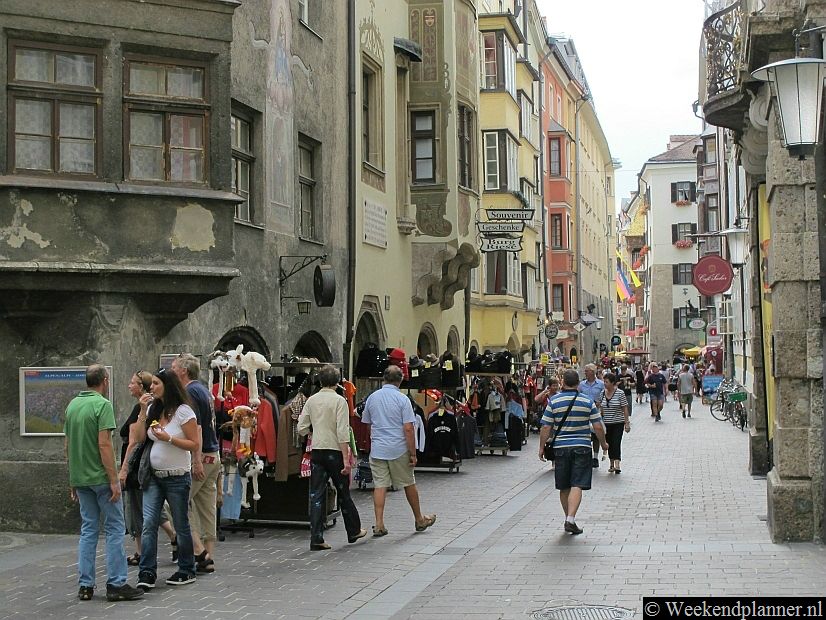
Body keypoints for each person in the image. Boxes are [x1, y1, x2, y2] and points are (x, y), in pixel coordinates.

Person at [64, 364, 144, 602]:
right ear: (105, 381)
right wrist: (114, 478)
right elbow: (104, 444)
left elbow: (68, 444)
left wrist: (72, 478)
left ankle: (85, 585)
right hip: (100, 476)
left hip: (80, 477)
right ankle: (116, 583)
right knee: (115, 529)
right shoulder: (102, 405)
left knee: (88, 529)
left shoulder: (73, 405)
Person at [132, 368, 200, 590]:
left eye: (155, 384)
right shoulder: (153, 408)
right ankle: (147, 572)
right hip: (154, 476)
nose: (151, 388)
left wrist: (169, 438)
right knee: (149, 523)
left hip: (177, 477)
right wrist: (143, 411)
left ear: (167, 386)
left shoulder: (183, 411)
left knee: (181, 523)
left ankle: (187, 568)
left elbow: (194, 444)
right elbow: (140, 438)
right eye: (151, 384)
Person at [297, 365, 366, 550]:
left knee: (316, 495)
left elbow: (300, 427)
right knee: (343, 493)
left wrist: (313, 432)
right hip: (335, 451)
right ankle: (354, 530)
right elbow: (343, 432)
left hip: (317, 450)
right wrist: (346, 459)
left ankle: (316, 538)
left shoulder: (311, 400)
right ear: (337, 382)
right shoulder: (339, 401)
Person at [362, 365, 436, 537]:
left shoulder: (372, 398)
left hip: (378, 448)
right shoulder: (403, 400)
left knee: (380, 485)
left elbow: (367, 423)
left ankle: (379, 523)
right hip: (398, 447)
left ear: (383, 379)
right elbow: (409, 428)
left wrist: (374, 440)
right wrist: (413, 453)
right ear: (400, 380)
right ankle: (419, 519)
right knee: (408, 482)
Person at [538, 369, 609, 535]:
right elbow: (598, 426)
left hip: (561, 448)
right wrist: (604, 443)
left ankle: (569, 518)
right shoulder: (587, 401)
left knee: (564, 485)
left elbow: (546, 426)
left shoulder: (554, 401)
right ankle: (570, 518)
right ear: (578, 383)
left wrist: (541, 447)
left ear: (563, 382)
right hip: (582, 447)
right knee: (577, 483)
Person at [117, 371, 177, 568]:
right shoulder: (149, 406)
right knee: (149, 507)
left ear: (142, 387)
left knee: (135, 506)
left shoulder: (140, 409)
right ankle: (172, 537)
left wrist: (124, 468)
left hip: (137, 464)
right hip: (144, 462)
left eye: (133, 383)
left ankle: (142, 552)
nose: (129, 385)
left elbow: (134, 441)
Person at [171, 354, 220, 573]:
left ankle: (200, 552)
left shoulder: (189, 392)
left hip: (203, 456)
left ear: (183, 371)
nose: (171, 370)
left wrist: (197, 459)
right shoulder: (203, 390)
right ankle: (209, 554)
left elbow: (196, 427)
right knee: (206, 506)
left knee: (177, 503)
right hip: (214, 453)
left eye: (174, 367)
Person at [599, 373, 630, 473]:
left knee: (616, 442)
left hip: (618, 422)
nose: (605, 384)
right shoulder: (602, 393)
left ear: (612, 383)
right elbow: (600, 406)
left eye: (606, 382)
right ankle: (611, 463)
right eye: (604, 381)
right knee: (609, 443)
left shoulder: (620, 393)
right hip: (606, 423)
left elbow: (625, 408)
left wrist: (627, 422)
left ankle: (617, 464)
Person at [578, 364, 605, 468]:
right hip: (584, 413)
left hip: (596, 412)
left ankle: (595, 457)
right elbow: (577, 395)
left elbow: (604, 396)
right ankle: (586, 456)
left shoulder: (601, 384)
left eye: (587, 371)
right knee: (585, 434)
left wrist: (600, 402)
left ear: (593, 372)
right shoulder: (581, 385)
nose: (585, 372)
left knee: (596, 435)